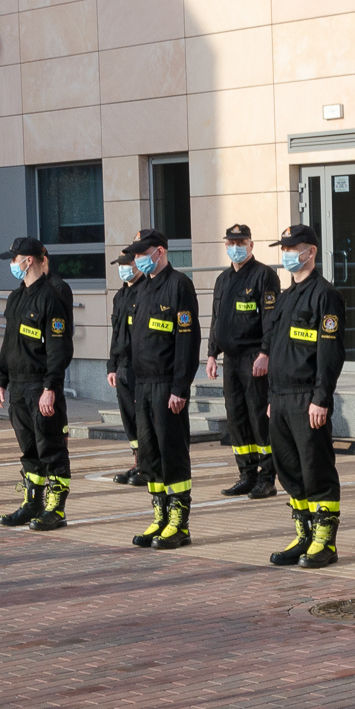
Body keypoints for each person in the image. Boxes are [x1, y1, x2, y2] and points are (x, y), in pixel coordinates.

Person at [263, 225, 347, 568]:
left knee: (317, 469)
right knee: (289, 470)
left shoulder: (324, 295)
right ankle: (305, 536)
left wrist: (321, 398)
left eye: (292, 248)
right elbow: (278, 350)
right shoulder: (286, 296)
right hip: (281, 397)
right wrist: (272, 396)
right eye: (283, 248)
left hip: (306, 397)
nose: (286, 254)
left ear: (310, 252)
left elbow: (330, 353)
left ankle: (325, 542)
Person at [125, 229, 202, 549]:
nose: (137, 259)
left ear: (159, 251)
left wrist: (180, 387)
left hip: (166, 386)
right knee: (149, 456)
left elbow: (187, 340)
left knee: (172, 454)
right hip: (142, 386)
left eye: (142, 254)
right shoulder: (141, 289)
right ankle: (160, 516)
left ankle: (179, 523)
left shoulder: (179, 285)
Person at [0, 237, 75, 531]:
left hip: (41, 387)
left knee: (51, 448)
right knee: (29, 450)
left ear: (28, 261)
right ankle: (32, 503)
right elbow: (8, 343)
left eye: (14, 259)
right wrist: (0, 380)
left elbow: (59, 348)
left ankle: (56, 509)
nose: (12, 265)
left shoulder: (51, 296)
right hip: (18, 386)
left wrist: (51, 388)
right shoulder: (16, 297)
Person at [207, 223, 280, 499]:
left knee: (258, 417)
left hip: (254, 358)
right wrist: (212, 353)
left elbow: (271, 319)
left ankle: (267, 477)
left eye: (241, 243)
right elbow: (216, 320)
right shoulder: (223, 280)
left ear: (251, 245)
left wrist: (265, 352)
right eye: (230, 243)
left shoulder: (264, 276)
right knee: (236, 418)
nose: (235, 248)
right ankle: (246, 474)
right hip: (230, 360)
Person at [107, 247, 146, 486]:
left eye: (127, 264)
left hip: (138, 365)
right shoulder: (119, 296)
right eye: (120, 264)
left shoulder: (145, 293)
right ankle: (138, 461)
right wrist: (111, 366)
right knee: (128, 418)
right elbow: (115, 334)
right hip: (121, 365)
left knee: (141, 416)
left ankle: (148, 464)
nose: (123, 269)